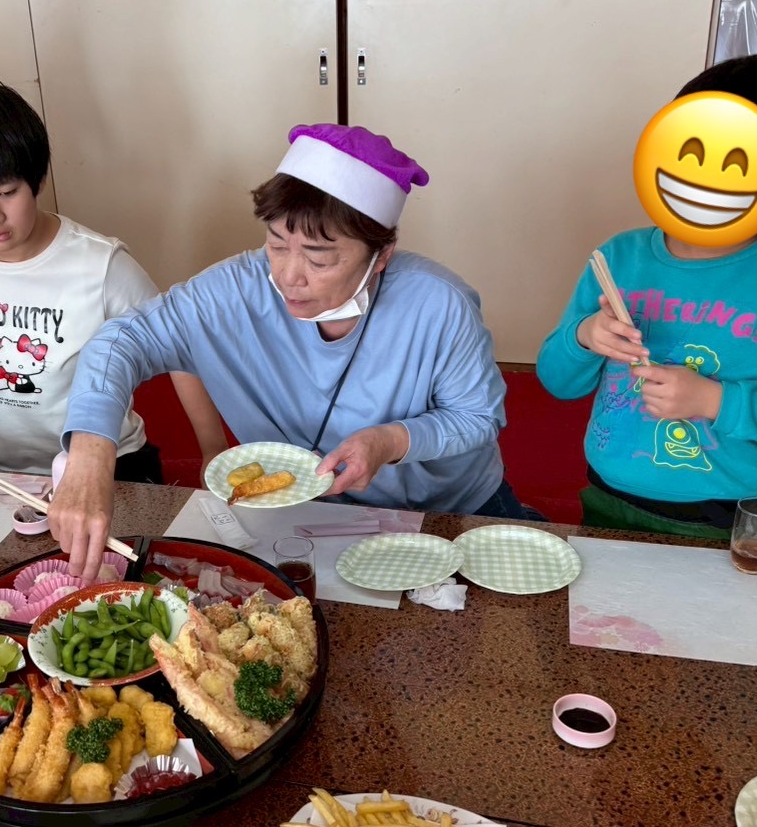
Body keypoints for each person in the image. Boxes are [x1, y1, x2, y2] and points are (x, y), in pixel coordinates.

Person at [49, 123, 535, 573]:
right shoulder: (235, 292)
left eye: (319, 259)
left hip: (449, 513)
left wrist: (389, 441)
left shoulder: (439, 305)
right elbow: (121, 341)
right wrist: (90, 457)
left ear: (381, 254)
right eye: (277, 245)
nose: (287, 276)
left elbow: (477, 416)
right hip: (308, 514)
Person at [536, 54, 757, 539]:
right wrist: (585, 337)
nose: (704, 173)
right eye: (690, 147)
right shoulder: (618, 258)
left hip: (717, 514)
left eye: (739, 162)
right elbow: (557, 382)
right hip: (605, 494)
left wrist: (715, 401)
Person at [0, 83, 226, 478]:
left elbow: (181, 347)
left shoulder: (102, 265)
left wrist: (214, 452)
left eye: (8, 191)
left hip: (107, 465)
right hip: (5, 472)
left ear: (38, 180)